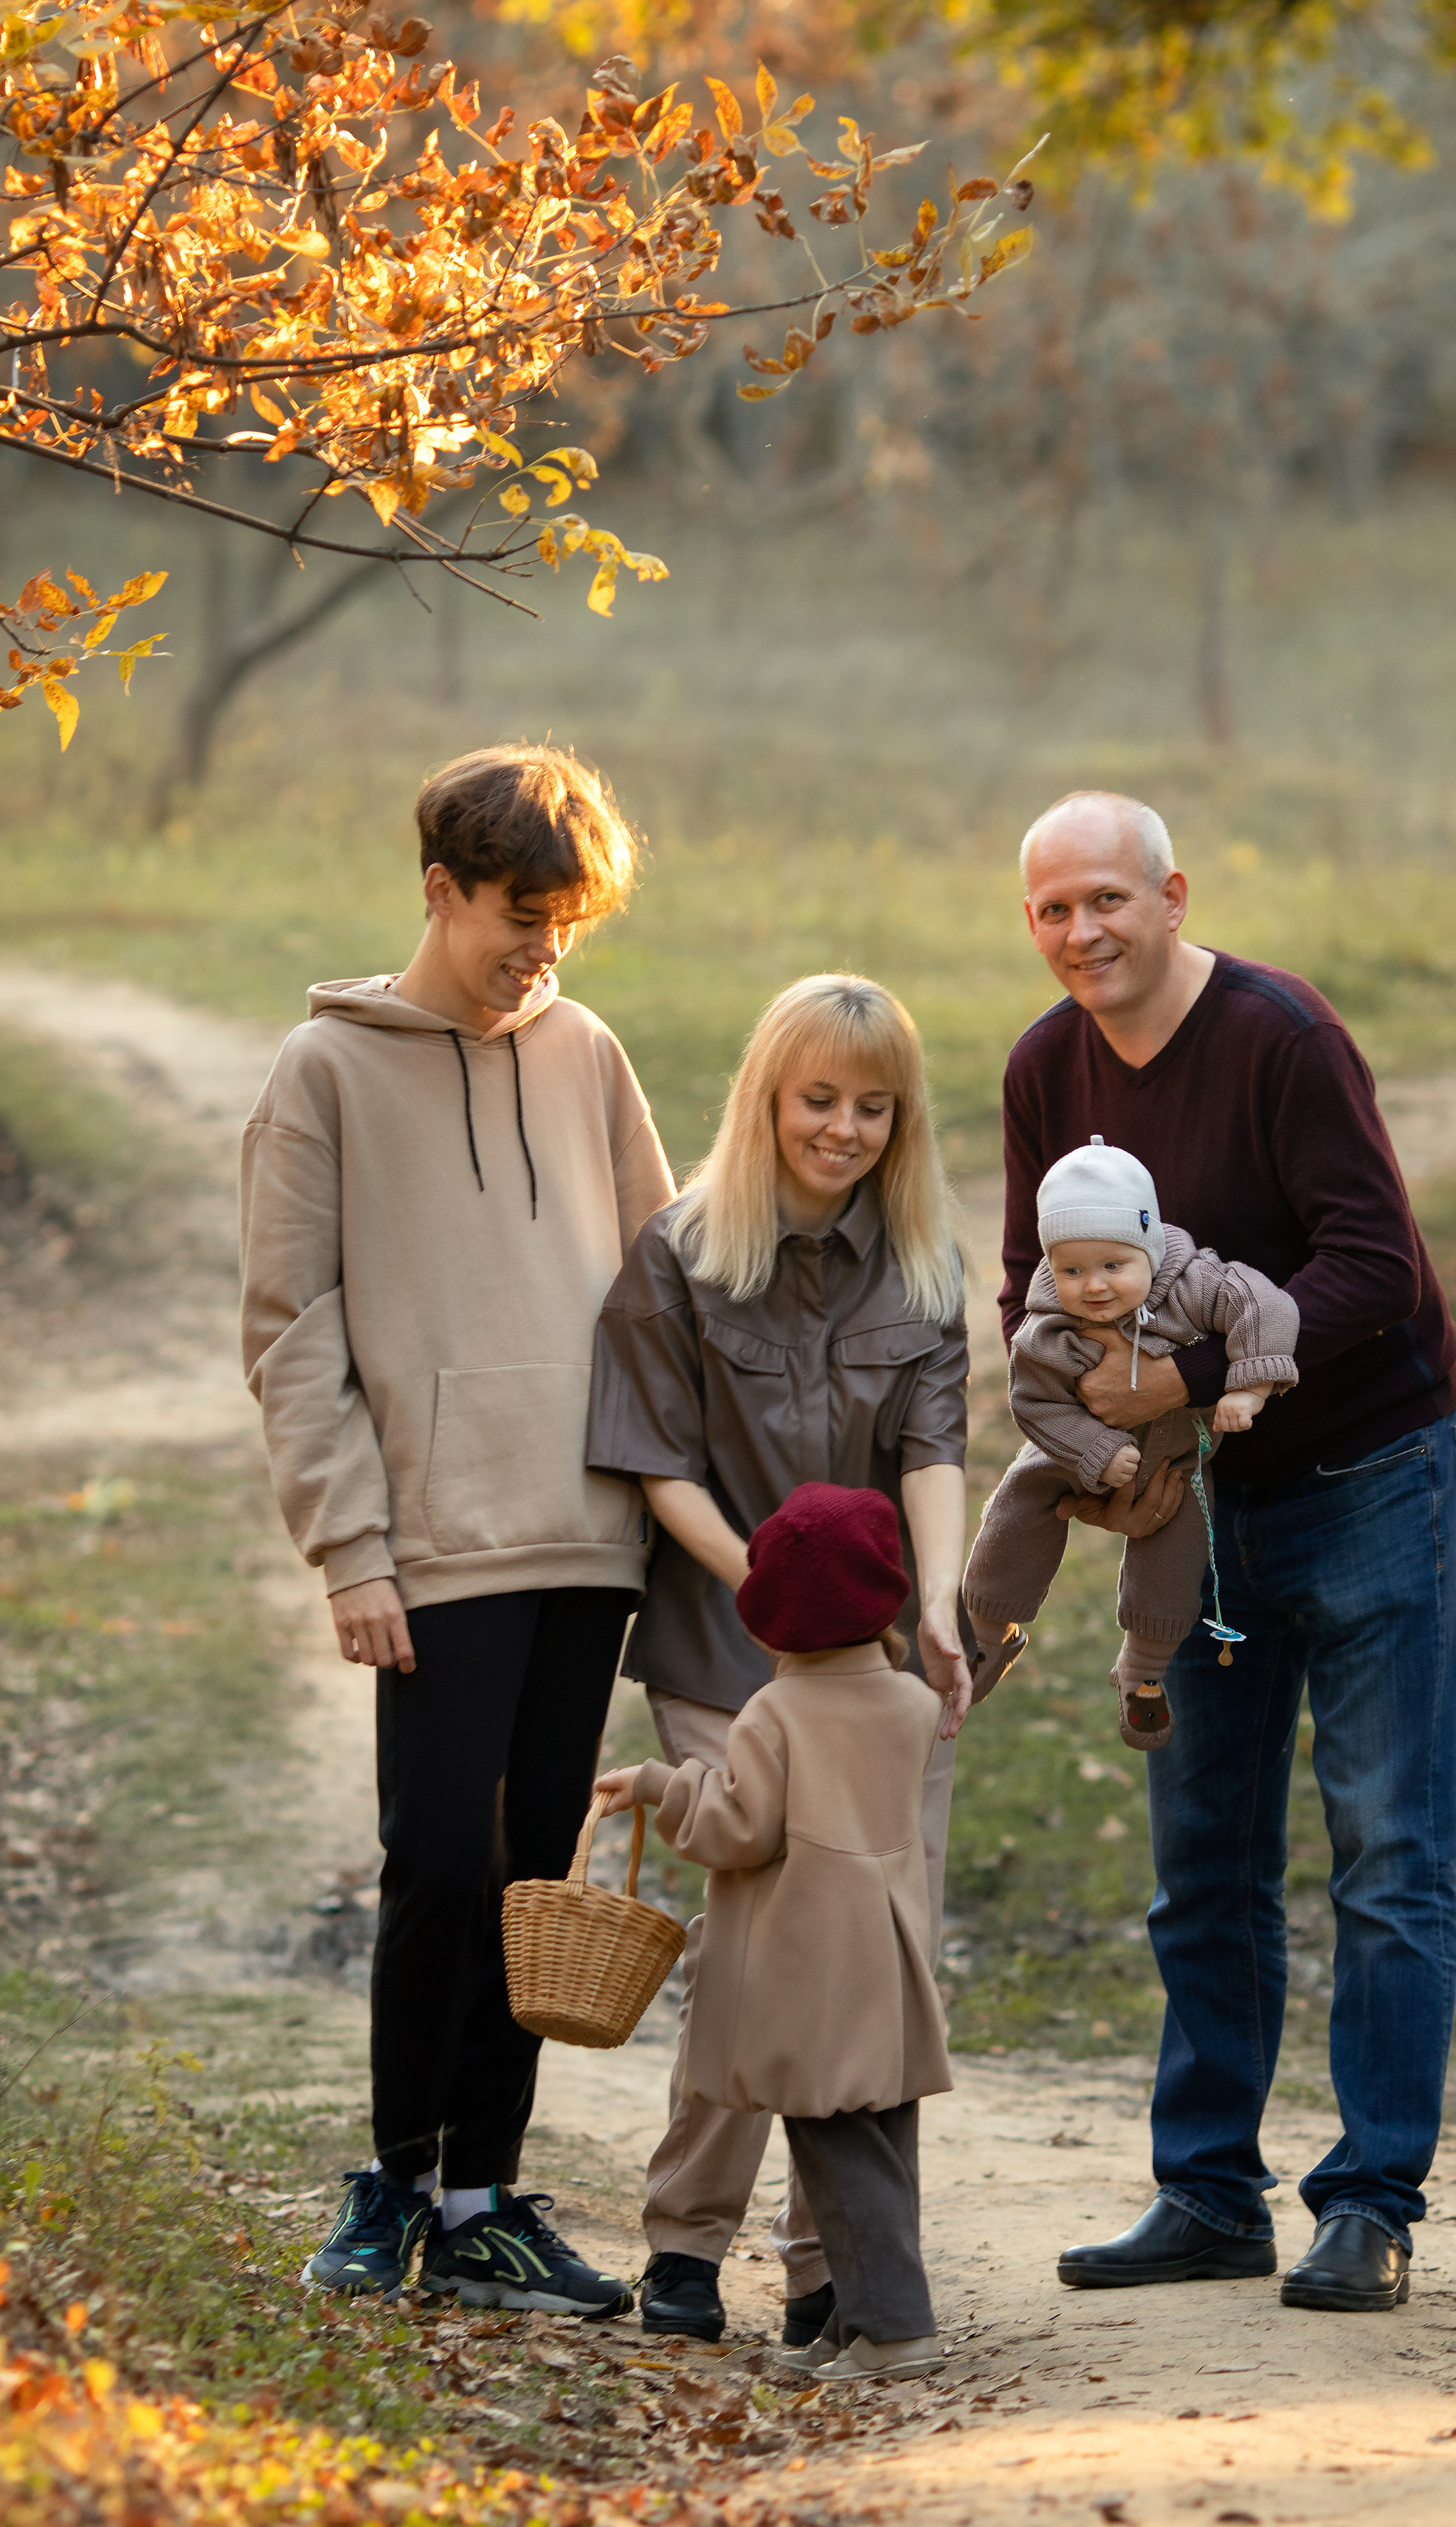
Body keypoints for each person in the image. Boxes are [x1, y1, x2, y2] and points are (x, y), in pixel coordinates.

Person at [1003, 791, 1456, 2318]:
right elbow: (1036, 1283)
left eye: (1105, 902)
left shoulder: (1278, 1036)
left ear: (1171, 893)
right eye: (1051, 911)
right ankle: (1206, 2189)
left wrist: (1184, 1380)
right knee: (1202, 1857)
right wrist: (1087, 1429)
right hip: (1194, 1523)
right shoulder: (1042, 1069)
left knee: (1385, 1850)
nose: (1081, 934)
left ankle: (1369, 2199)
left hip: (1365, 1476)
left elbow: (1371, 1267)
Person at [241, 742, 674, 2309]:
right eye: (519, 914)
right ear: (441, 889)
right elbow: (291, 1328)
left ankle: (486, 2195)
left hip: (587, 1532)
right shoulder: (328, 1074)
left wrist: (687, 1513)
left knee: (530, 1876)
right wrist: (349, 1547)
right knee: (433, 1856)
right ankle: (393, 2182)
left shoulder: (588, 1055)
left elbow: (655, 1287)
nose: (542, 949)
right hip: (431, 1537)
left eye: (567, 921)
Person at [586, 972, 971, 2347]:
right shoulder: (678, 1256)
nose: (846, 1129)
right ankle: (684, 2249)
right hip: (724, 1652)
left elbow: (932, 1450)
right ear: (766, 1097)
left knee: (871, 1960)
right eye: (820, 1100)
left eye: (875, 1107)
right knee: (754, 1950)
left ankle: (836, 2272)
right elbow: (652, 1465)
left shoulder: (919, 1265)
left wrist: (931, 1606)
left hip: (875, 1679)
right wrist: (776, 1591)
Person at [594, 1483, 951, 2383]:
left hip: (810, 1963)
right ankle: (857, 2322)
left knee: (832, 2150)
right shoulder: (910, 1704)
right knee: (881, 2143)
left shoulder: (775, 1715)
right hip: (889, 1956)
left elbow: (738, 1831)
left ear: (769, 1621)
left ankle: (897, 2332)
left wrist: (658, 1784)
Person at [962, 1136, 1298, 1748]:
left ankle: (1143, 1673)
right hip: (1072, 1443)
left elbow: (1267, 1305)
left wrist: (1248, 1386)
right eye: (1072, 1270)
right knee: (1021, 1499)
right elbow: (1033, 1402)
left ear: (1147, 1246)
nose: (1093, 1286)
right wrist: (1092, 1449)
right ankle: (986, 1633)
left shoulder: (1195, 1285)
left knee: (1179, 1541)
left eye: (1113, 1266)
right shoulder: (1050, 1328)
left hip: (1174, 1454)